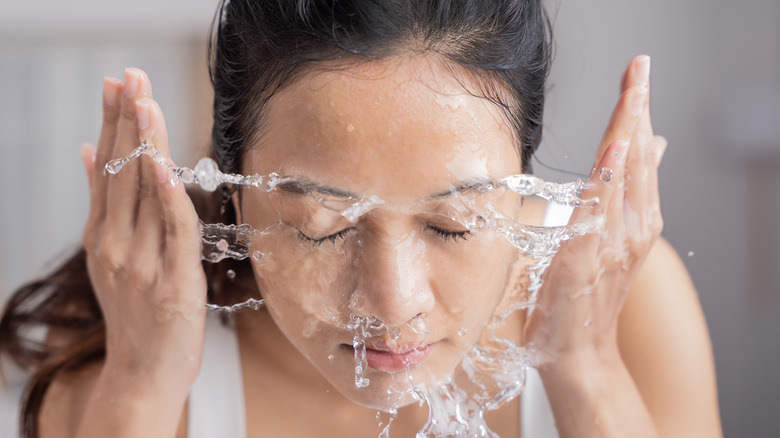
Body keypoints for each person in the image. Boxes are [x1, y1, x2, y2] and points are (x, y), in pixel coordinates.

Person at [0, 0, 722, 437]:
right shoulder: (126, 371)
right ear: (237, 188)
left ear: (521, 179)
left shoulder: (626, 308)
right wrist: (142, 386)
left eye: (455, 224)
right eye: (324, 225)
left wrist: (585, 370)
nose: (392, 303)